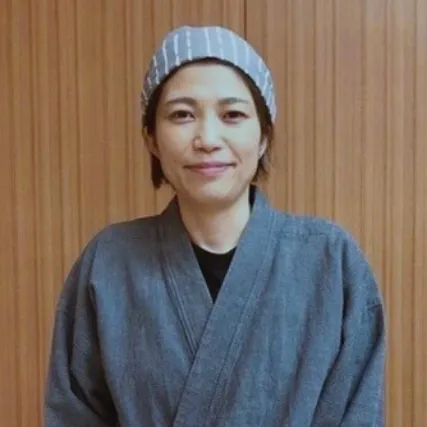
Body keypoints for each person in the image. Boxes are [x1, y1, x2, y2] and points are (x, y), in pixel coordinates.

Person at [44, 25, 386, 427]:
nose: (207, 138)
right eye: (182, 115)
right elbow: (73, 413)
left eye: (232, 115)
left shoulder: (332, 261)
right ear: (152, 139)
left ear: (263, 136)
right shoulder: (108, 262)